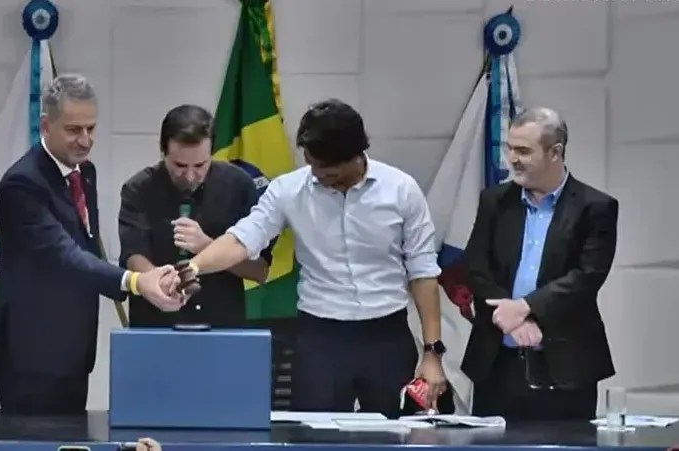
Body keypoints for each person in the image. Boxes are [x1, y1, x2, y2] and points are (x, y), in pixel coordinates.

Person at [175, 99, 448, 417]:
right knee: (313, 436)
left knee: (396, 433)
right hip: (319, 339)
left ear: (355, 156)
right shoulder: (289, 190)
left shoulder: (402, 190)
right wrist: (195, 266)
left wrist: (432, 352)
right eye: (311, 165)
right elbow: (243, 238)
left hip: (387, 337)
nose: (316, 175)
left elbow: (423, 271)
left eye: (326, 170)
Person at [0, 74, 184, 415]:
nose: (85, 140)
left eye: (91, 129)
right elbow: (65, 255)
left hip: (74, 351)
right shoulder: (22, 184)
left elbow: (86, 247)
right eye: (74, 130)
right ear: (46, 126)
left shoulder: (83, 173)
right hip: (30, 356)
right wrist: (135, 281)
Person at [461, 107, 618, 421]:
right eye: (510, 149)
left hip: (565, 364)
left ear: (555, 153)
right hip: (498, 361)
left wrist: (526, 307)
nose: (512, 159)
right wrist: (513, 317)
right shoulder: (495, 201)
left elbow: (586, 277)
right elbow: (476, 267)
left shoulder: (595, 207)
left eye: (523, 151)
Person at [118, 104, 272, 327]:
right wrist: (162, 282)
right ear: (163, 152)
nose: (190, 176)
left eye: (200, 165)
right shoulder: (139, 189)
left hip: (222, 325)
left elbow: (259, 270)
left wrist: (207, 247)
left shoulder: (238, 185)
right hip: (156, 322)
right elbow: (134, 256)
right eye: (179, 165)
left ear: (212, 153)